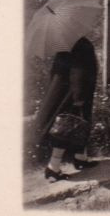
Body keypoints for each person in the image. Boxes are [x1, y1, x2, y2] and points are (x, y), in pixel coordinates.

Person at [33, 36, 97, 181]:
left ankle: (80, 157)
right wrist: (78, 99)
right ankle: (53, 168)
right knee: (67, 128)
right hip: (74, 94)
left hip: (64, 91)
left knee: (79, 124)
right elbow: (79, 73)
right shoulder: (80, 44)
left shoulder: (63, 43)